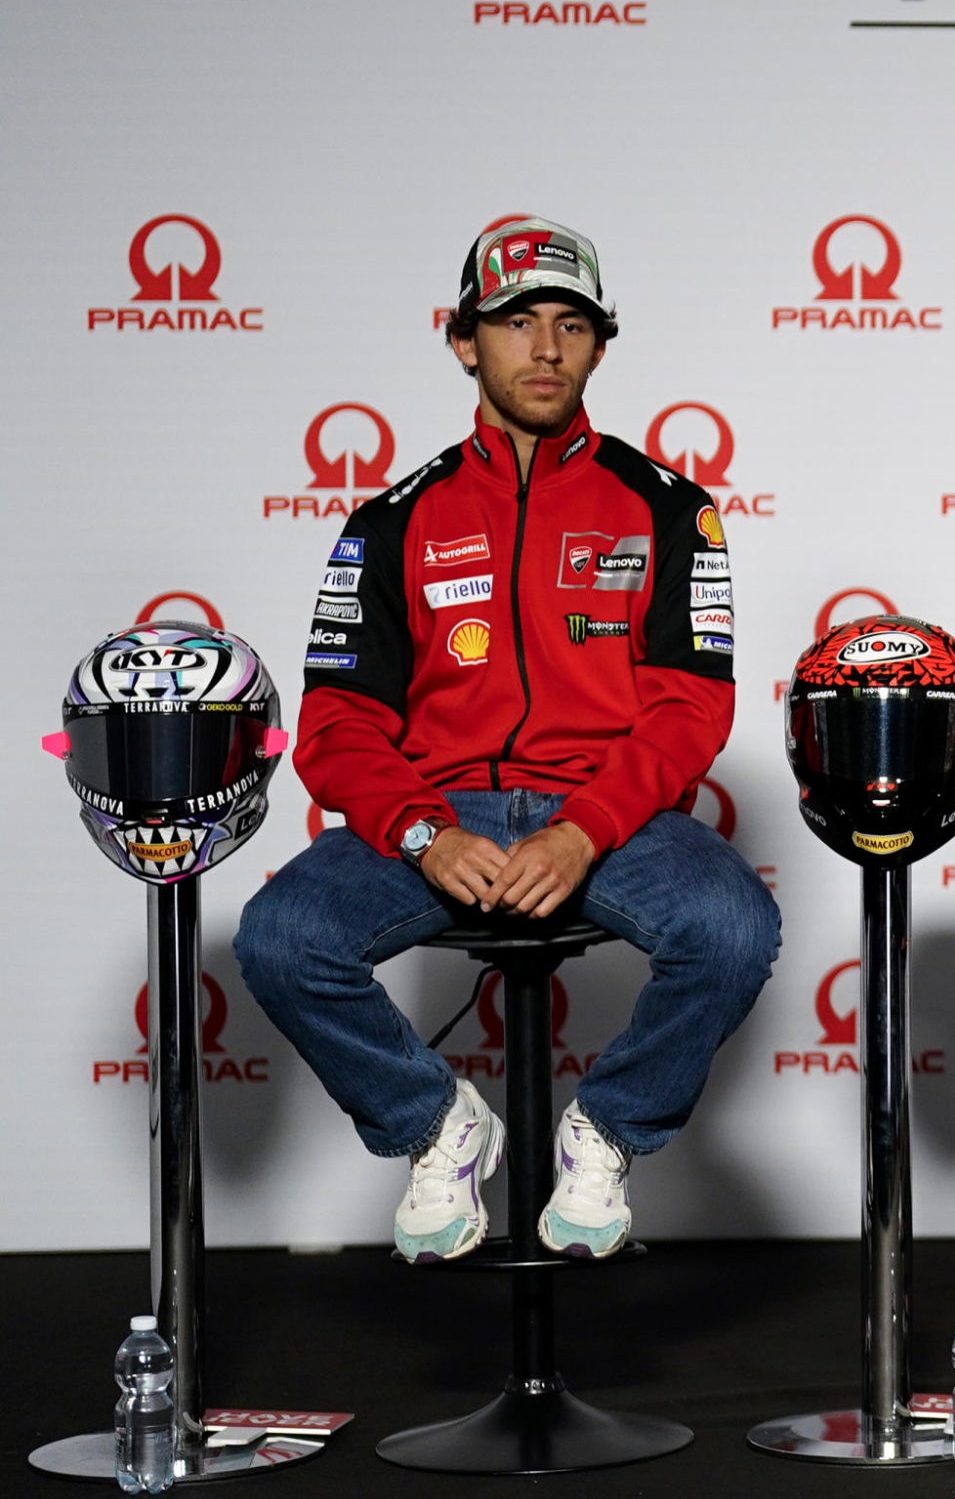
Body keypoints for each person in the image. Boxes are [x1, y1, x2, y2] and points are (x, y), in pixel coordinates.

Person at [238, 217, 779, 1263]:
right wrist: (421, 833)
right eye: (517, 321)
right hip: (444, 814)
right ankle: (434, 1122)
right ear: (462, 342)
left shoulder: (670, 509)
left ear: (600, 345)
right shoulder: (389, 521)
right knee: (278, 938)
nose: (544, 347)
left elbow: (688, 707)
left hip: (611, 812)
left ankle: (607, 1131)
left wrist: (583, 829)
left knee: (733, 927)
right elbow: (338, 723)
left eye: (571, 323)